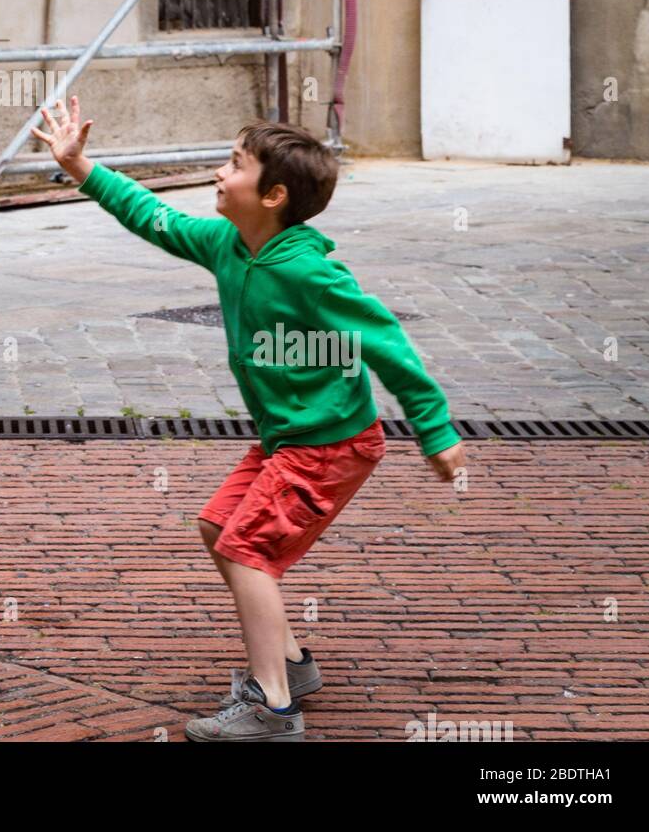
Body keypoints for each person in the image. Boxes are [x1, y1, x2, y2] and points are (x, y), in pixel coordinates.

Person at [32, 97, 466, 742]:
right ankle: (291, 663)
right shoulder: (227, 244)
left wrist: (436, 431)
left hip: (330, 443)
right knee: (218, 527)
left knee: (247, 549)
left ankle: (273, 709)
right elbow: (154, 218)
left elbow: (387, 343)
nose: (219, 173)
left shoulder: (311, 273)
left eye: (234, 165)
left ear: (273, 195)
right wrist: (81, 167)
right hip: (288, 439)